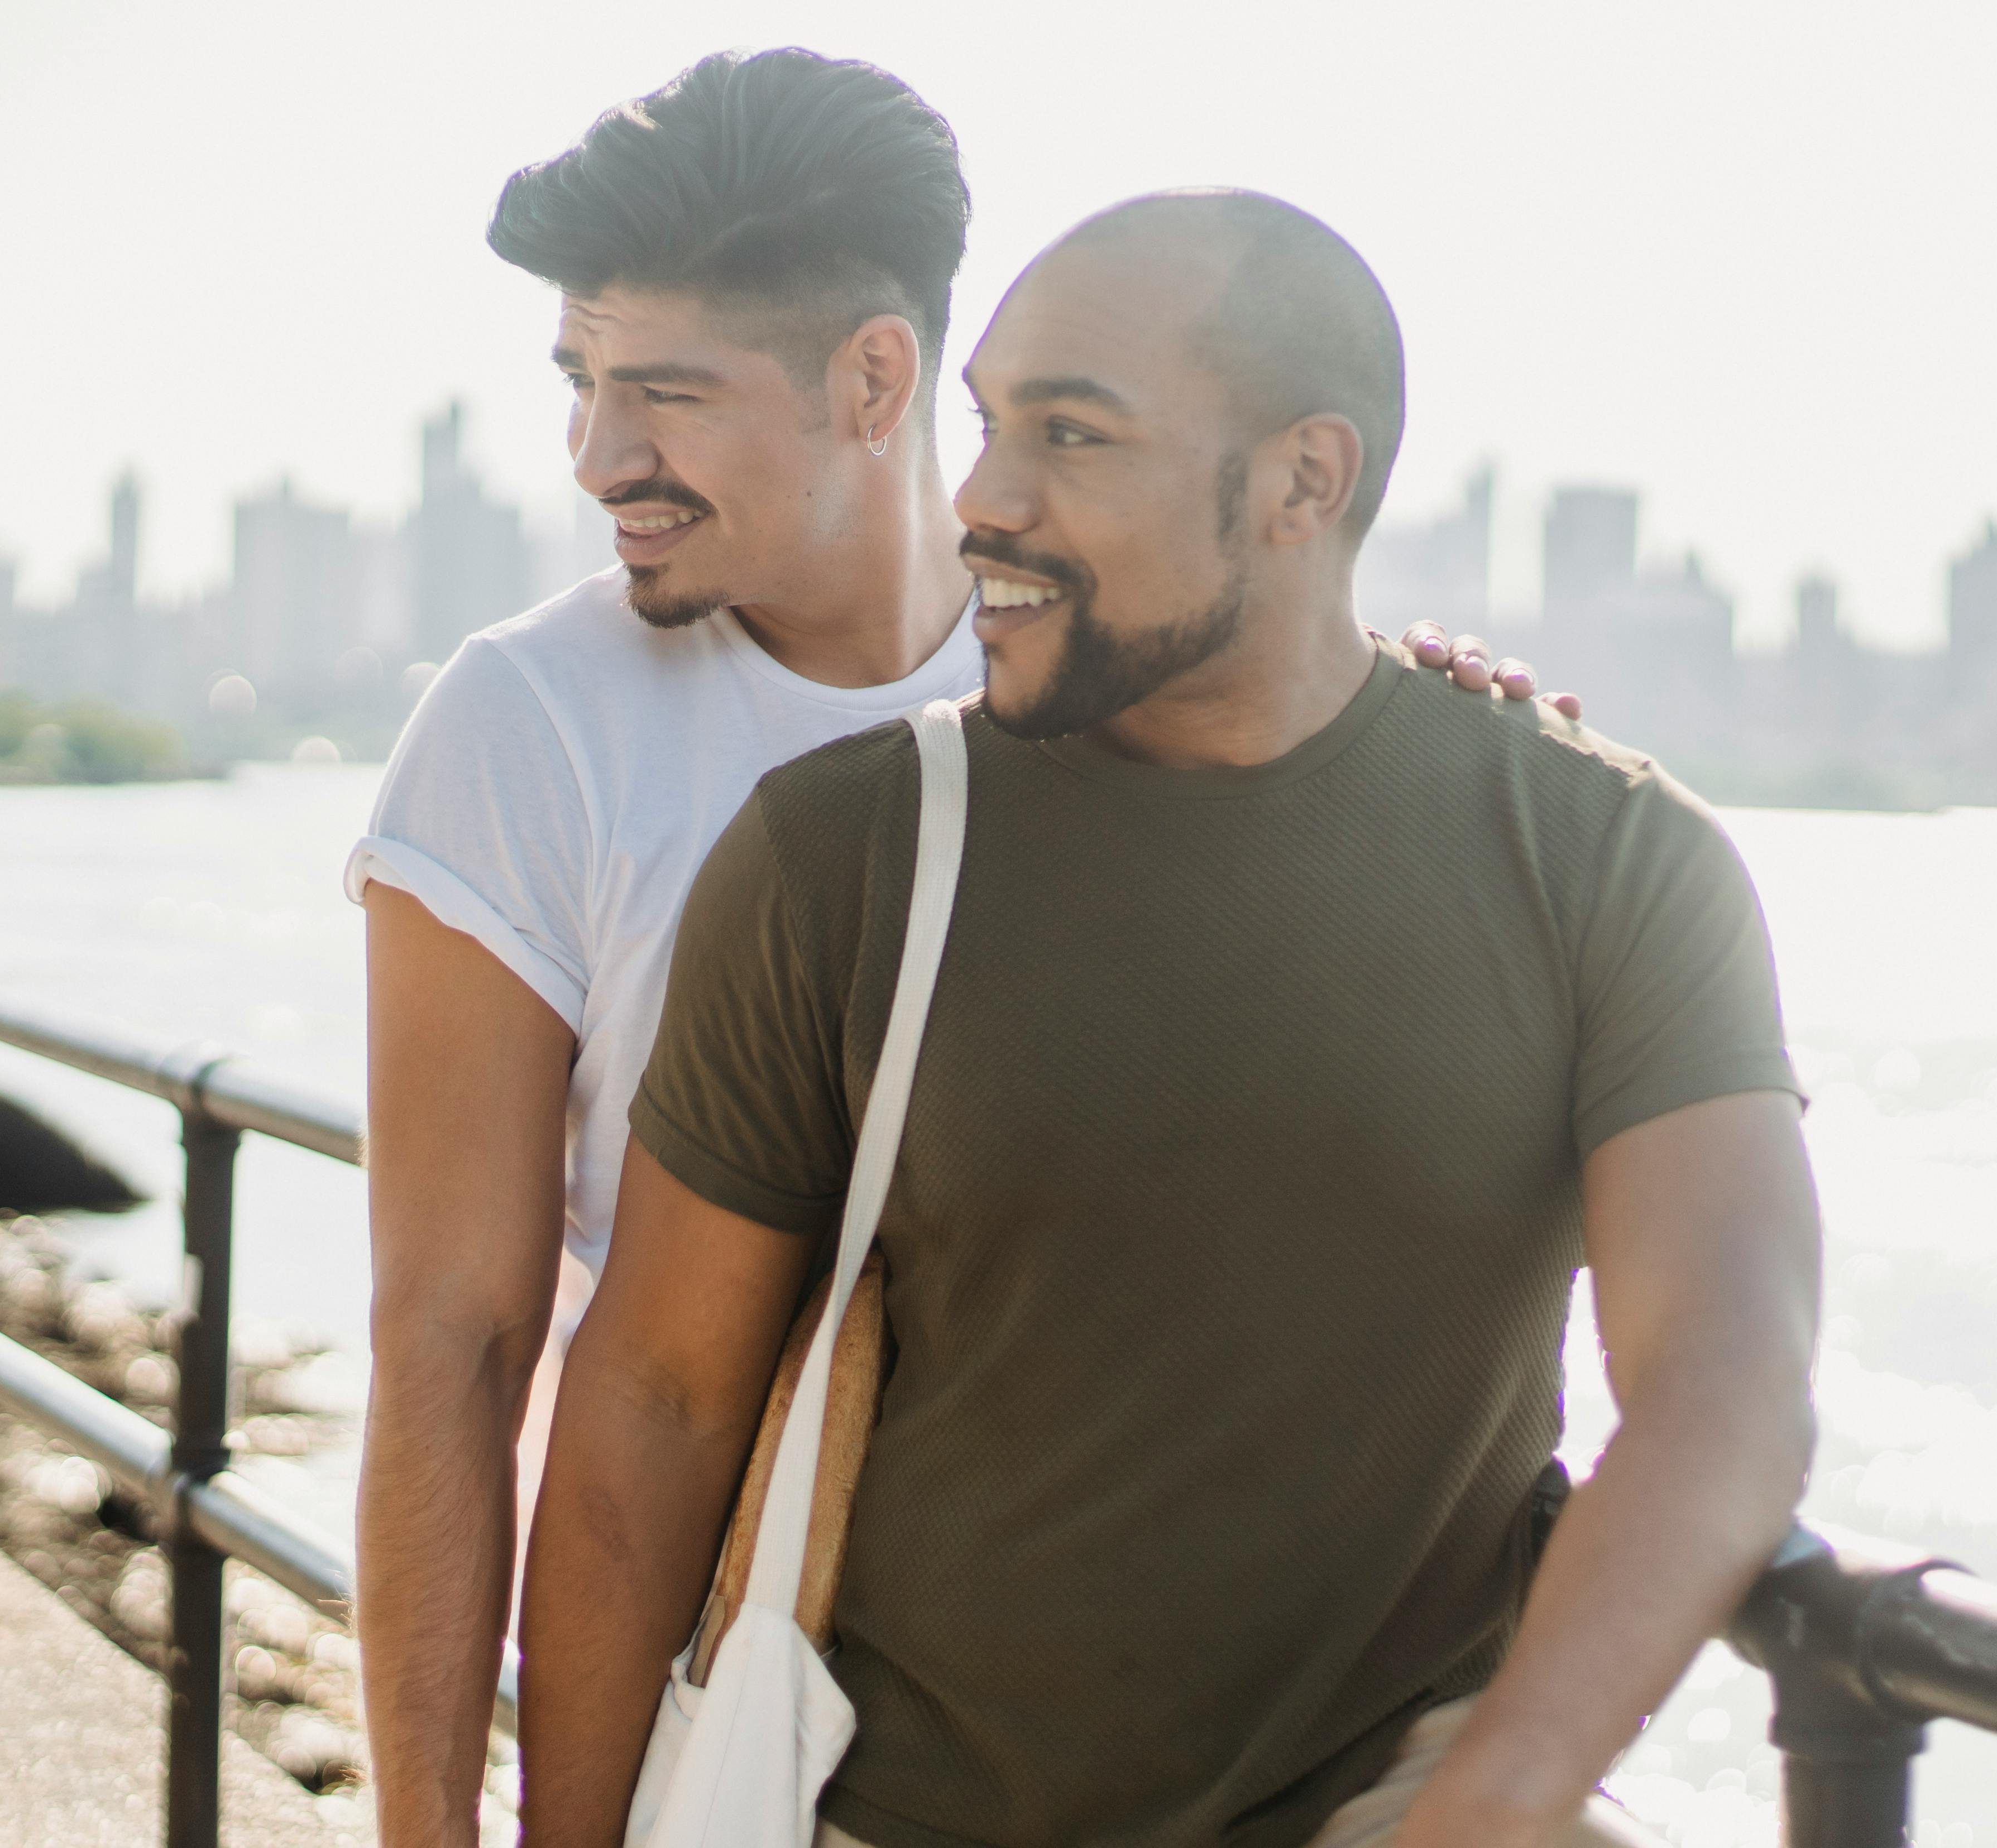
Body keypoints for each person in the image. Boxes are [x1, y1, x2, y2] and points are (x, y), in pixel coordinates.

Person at [346, 55, 1560, 1846]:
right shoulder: (528, 726)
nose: (602, 458)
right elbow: (450, 1340)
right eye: (581, 384)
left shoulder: (1108, 674)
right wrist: (435, 1835)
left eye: (663, 394)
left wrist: (1439, 747)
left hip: (1165, 1703)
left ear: (875, 378)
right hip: (737, 1690)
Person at [518, 190, 1821, 1848]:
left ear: (1303, 480)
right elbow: (654, 1402)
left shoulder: (1609, 859)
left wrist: (1503, 1792)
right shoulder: (845, 855)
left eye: (1073, 435)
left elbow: (1728, 1374)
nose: (983, 497)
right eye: (988, 425)